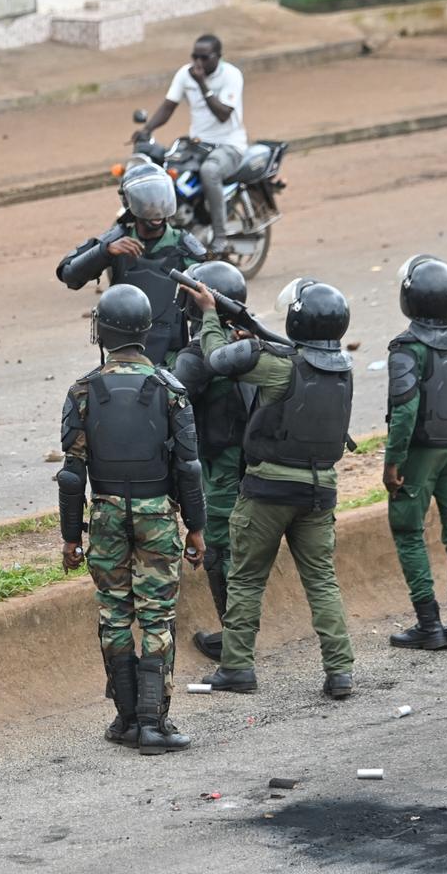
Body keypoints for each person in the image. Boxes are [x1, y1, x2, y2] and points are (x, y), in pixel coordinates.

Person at [182, 277, 357, 699]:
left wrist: (209, 315)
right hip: (320, 490)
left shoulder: (280, 364)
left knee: (245, 580)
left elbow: (216, 358)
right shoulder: (343, 369)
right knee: (322, 582)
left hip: (268, 489)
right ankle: (340, 671)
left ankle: (237, 668)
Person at [58, 284, 207, 755]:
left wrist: (70, 537)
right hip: (157, 516)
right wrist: (197, 527)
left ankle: (125, 720)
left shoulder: (82, 390)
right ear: (145, 330)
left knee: (114, 614)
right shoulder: (169, 389)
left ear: (100, 330)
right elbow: (188, 467)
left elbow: (70, 473)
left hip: (103, 513)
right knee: (158, 616)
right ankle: (153, 723)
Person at [383, 255, 447, 652]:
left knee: (409, 531)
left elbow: (405, 412)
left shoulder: (406, 349)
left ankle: (429, 625)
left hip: (419, 455)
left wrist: (392, 463)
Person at [171, 261, 253, 662]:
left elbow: (173, 402)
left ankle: (236, 641)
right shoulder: (252, 341)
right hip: (255, 464)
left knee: (220, 550)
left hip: (221, 467)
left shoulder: (200, 355)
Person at [56, 158, 205, 366]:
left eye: (160, 199)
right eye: (148, 201)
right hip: (123, 357)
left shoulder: (184, 245)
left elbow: (213, 296)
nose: (156, 210)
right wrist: (105, 252)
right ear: (131, 202)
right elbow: (69, 275)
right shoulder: (115, 239)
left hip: (171, 357)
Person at [131, 34, 247, 249]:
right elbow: (168, 106)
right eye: (195, 57)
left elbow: (223, 114)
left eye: (204, 57)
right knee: (167, 168)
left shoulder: (231, 76)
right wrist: (147, 129)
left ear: (218, 57)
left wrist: (202, 84)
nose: (198, 63)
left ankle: (220, 236)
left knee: (209, 171)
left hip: (229, 145)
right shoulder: (185, 74)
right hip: (197, 143)